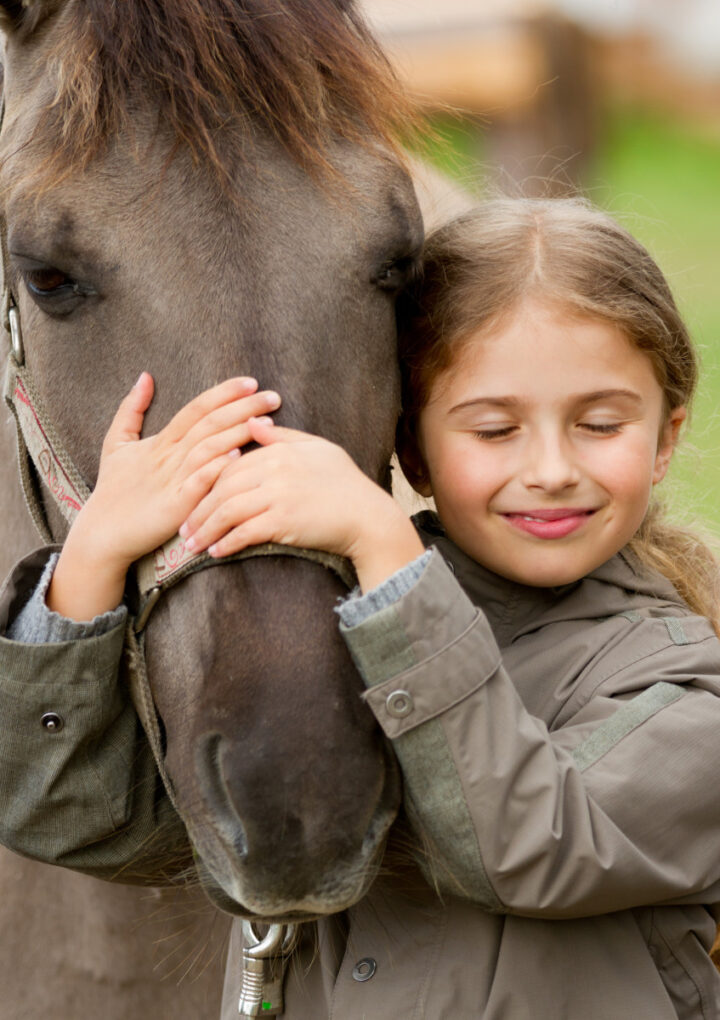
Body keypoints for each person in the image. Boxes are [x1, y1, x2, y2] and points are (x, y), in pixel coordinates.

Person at [2, 195, 720, 1019]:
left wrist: (387, 555)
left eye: (599, 424)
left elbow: (531, 844)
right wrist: (94, 555)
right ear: (410, 446)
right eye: (494, 430)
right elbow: (74, 819)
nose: (552, 467)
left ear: (665, 441)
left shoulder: (689, 687)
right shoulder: (324, 634)